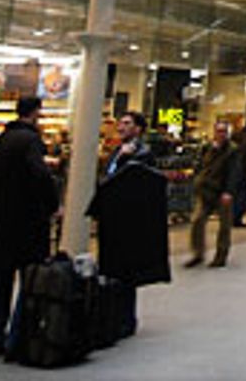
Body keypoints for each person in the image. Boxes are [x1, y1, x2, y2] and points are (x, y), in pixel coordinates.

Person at [0, 96, 59, 360]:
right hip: (27, 223)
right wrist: (52, 204)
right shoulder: (31, 142)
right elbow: (41, 175)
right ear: (35, 113)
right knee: (29, 279)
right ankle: (17, 337)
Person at [88, 111, 167, 338]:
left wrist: (124, 159)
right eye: (120, 123)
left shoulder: (139, 154)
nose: (121, 126)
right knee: (113, 269)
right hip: (113, 218)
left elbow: (135, 184)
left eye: (127, 123)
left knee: (124, 271)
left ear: (138, 129)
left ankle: (124, 319)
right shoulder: (119, 151)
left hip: (126, 221)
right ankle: (113, 316)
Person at [186, 122, 239, 269]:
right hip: (206, 190)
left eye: (224, 131)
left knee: (224, 225)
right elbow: (201, 166)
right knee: (197, 220)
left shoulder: (232, 150)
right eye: (219, 131)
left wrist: (229, 191)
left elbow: (234, 172)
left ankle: (221, 256)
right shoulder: (207, 148)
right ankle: (198, 253)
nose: (221, 134)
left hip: (222, 192)